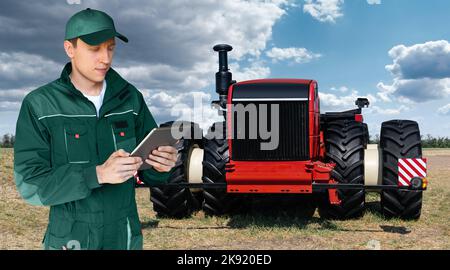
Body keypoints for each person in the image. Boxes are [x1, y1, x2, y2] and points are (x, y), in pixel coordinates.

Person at [13, 8, 178, 250]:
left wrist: (162, 166)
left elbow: (148, 172)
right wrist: (97, 175)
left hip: (124, 237)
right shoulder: (40, 104)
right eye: (94, 49)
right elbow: (31, 183)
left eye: (110, 47)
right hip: (70, 239)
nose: (106, 58)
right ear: (70, 49)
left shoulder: (130, 98)